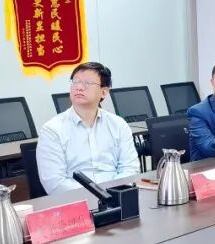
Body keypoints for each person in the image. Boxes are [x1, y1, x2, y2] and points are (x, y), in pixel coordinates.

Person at [36, 62, 140, 194]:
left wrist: (113, 194)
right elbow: (54, 183)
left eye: (87, 83)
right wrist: (98, 196)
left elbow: (130, 169)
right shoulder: (52, 130)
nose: (79, 87)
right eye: (75, 82)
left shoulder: (118, 125)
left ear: (103, 92)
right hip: (76, 201)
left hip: (116, 196)